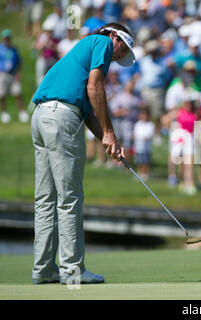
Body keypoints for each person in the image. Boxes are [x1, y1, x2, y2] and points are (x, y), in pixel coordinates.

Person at [31, 23, 135, 285]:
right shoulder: (100, 42)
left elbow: (88, 110)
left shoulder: (82, 54)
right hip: (62, 118)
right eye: (124, 47)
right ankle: (72, 270)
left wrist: (106, 139)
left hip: (42, 117)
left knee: (46, 199)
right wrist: (110, 132)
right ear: (114, 35)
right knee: (69, 198)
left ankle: (43, 270)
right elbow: (95, 88)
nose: (122, 55)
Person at [0, 29, 28, 123]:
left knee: (18, 93)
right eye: (5, 38)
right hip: (3, 74)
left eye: (8, 38)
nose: (7, 40)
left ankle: (22, 113)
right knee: (2, 94)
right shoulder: (0, 48)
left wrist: (18, 72)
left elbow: (18, 62)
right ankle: (4, 113)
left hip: (13, 74)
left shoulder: (14, 49)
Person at [133, 108, 155, 180]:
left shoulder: (150, 125)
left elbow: (149, 136)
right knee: (139, 161)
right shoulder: (138, 124)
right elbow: (135, 134)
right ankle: (140, 173)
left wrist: (143, 138)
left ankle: (146, 173)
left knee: (146, 161)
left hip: (146, 147)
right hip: (138, 147)